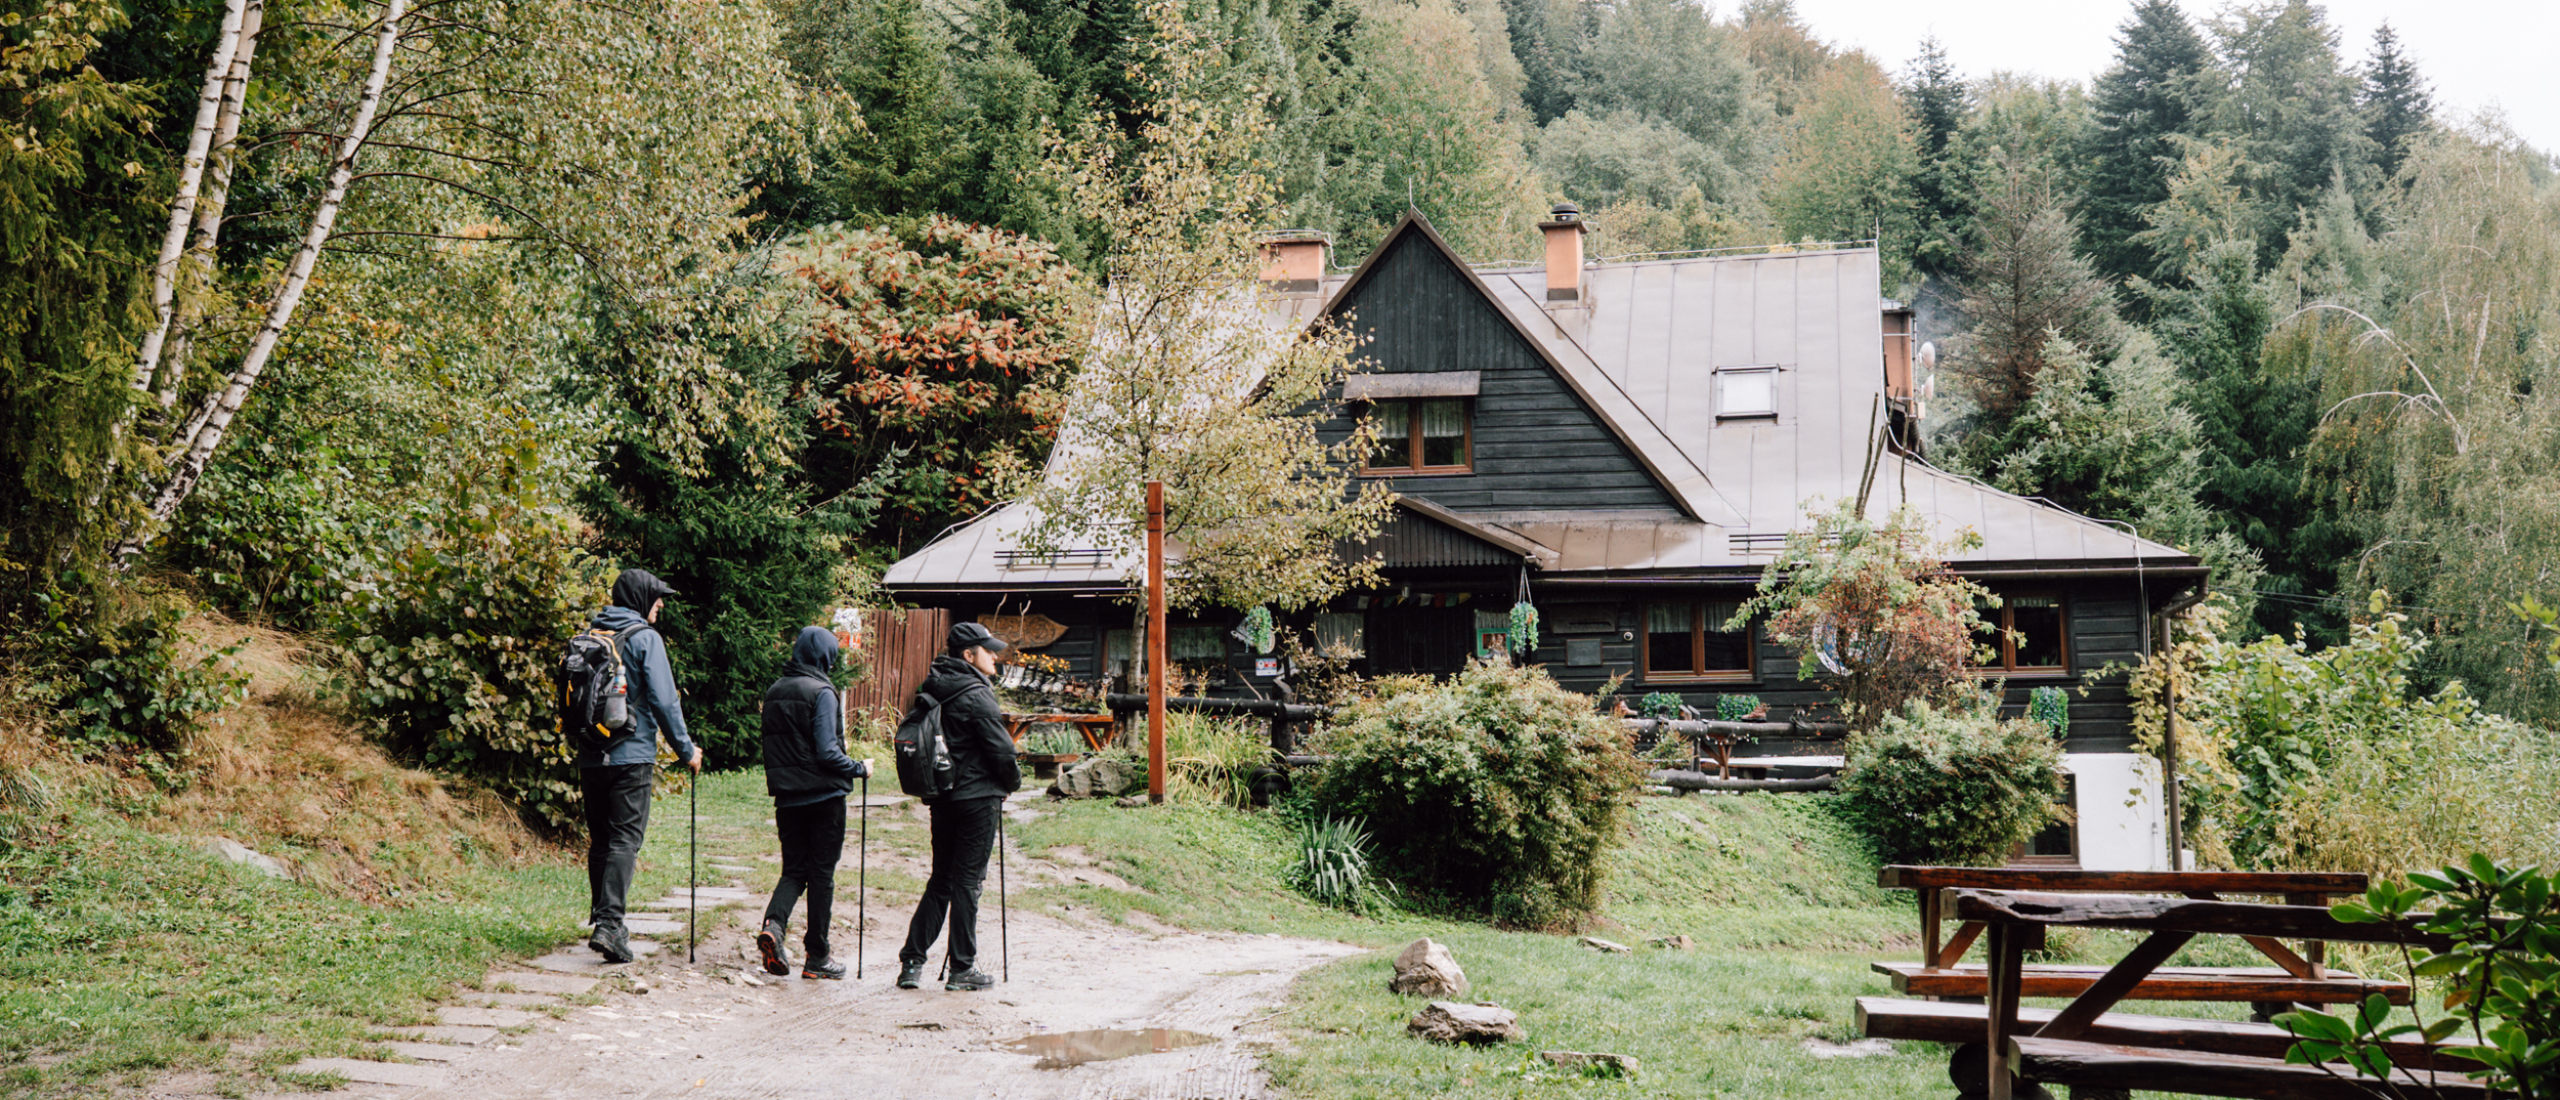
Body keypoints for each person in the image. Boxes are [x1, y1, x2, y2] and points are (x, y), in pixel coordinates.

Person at [579, 568, 702, 964]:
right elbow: (666, 702)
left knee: (601, 839)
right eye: (657, 596)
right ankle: (611, 926)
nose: (661, 604)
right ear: (640, 597)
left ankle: (604, 918)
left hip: (590, 754)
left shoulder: (592, 636)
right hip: (631, 756)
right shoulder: (646, 639)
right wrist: (687, 751)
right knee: (625, 839)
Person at [895, 621, 1021, 991]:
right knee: (968, 883)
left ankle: (911, 964)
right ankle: (962, 969)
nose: (995, 656)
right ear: (969, 655)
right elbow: (1001, 750)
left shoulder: (934, 687)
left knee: (942, 880)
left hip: (943, 796)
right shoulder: (977, 694)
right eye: (988, 651)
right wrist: (1012, 782)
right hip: (978, 799)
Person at [756, 625, 872, 980]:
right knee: (821, 874)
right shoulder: (822, 691)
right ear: (825, 656)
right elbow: (826, 752)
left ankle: (774, 926)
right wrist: (859, 768)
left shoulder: (775, 690)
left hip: (788, 798)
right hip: (824, 798)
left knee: (794, 870)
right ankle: (817, 956)